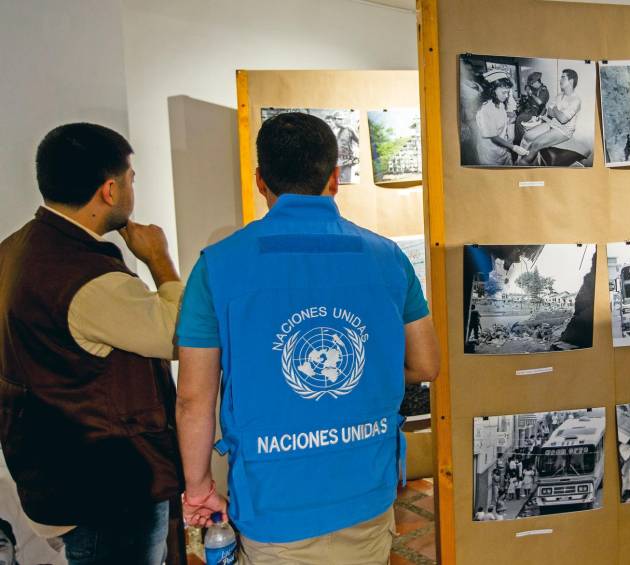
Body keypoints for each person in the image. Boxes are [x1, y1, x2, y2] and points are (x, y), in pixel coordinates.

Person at [175, 112, 439, 564]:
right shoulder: (388, 258)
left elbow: (194, 399)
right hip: (366, 487)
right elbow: (425, 364)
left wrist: (199, 488)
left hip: (274, 500)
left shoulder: (218, 266)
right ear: (335, 178)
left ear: (261, 181)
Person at [0, 123, 184, 564]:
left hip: (54, 471)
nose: (131, 189)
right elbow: (178, 334)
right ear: (109, 189)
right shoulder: (86, 278)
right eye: (130, 179)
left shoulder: (16, 248)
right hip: (106, 488)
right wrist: (159, 259)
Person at [517, 69, 582, 165]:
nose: (560, 80)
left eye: (563, 77)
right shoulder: (559, 95)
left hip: (563, 131)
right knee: (526, 135)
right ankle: (520, 158)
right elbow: (550, 112)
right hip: (552, 124)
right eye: (560, 77)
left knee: (536, 144)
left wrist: (555, 108)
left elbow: (563, 119)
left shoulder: (576, 100)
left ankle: (522, 164)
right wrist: (558, 112)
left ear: (571, 81)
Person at [474, 69, 526, 166]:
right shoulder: (484, 109)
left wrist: (509, 117)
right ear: (492, 90)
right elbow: (494, 137)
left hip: (504, 149)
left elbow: (499, 116)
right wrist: (514, 147)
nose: (506, 96)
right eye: (503, 92)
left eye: (507, 92)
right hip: (490, 153)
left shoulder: (499, 102)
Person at [513, 71, 550, 147]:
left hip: (537, 112)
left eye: (532, 83)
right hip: (530, 110)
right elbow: (526, 86)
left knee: (519, 119)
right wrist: (527, 88)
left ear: (537, 82)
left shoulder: (543, 90)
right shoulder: (534, 88)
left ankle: (520, 141)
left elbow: (540, 102)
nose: (531, 85)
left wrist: (531, 94)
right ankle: (521, 139)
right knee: (517, 113)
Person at [331, 112, 359, 183]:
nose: (342, 121)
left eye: (343, 119)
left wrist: (356, 155)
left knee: (345, 183)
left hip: (346, 162)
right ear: (334, 120)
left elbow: (360, 141)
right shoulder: (330, 131)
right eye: (339, 119)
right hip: (334, 162)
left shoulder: (349, 129)